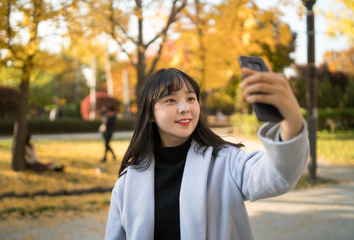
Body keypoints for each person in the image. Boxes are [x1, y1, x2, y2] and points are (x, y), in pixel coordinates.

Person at [104, 68, 309, 240]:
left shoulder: (227, 161)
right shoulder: (127, 183)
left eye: (191, 98)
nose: (185, 108)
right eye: (170, 100)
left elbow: (277, 176)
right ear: (150, 114)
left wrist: (292, 121)